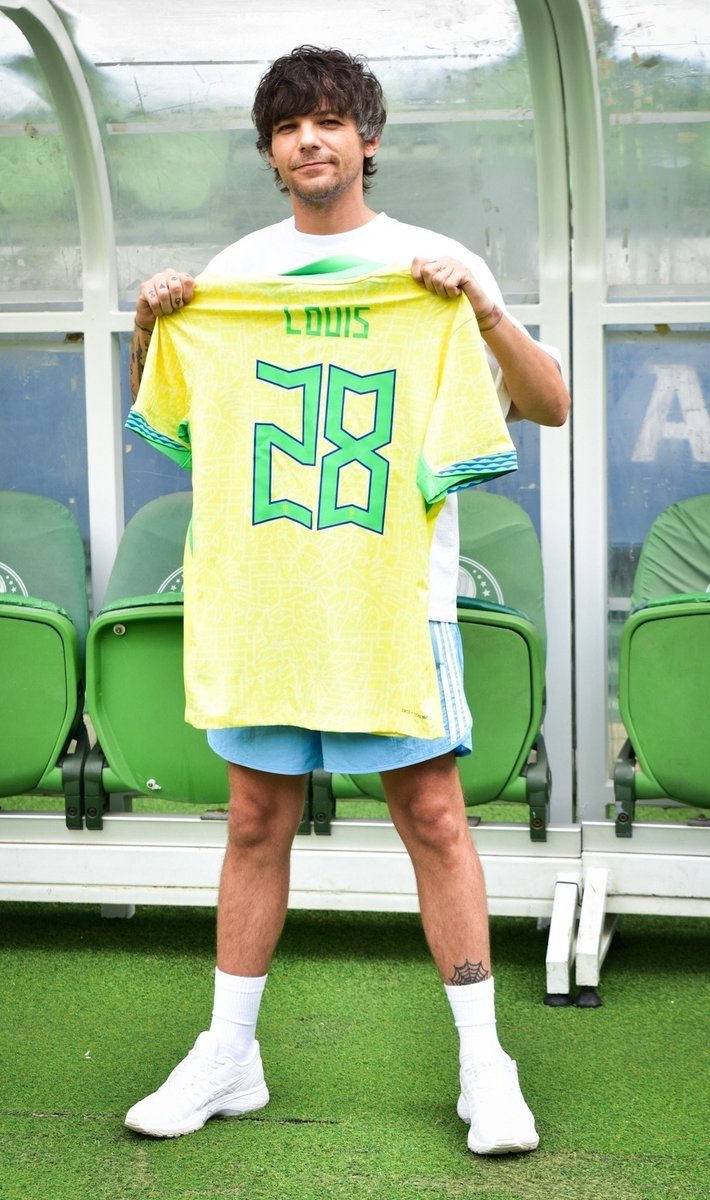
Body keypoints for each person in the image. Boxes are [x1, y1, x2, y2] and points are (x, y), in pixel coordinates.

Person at [124, 46, 569, 1154]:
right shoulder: (234, 272)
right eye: (287, 128)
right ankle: (228, 1055)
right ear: (270, 151)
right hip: (268, 597)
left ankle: (484, 1064)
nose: (308, 142)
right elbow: (176, 417)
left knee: (432, 817)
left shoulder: (434, 264)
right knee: (251, 818)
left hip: (390, 596)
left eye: (328, 122)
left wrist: (475, 310)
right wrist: (152, 326)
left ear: (367, 138)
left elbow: (546, 403)